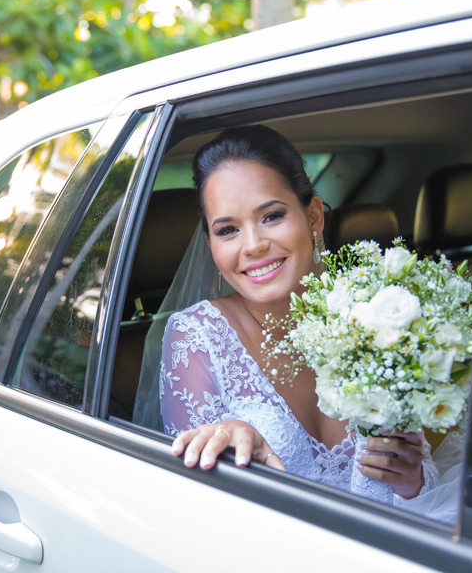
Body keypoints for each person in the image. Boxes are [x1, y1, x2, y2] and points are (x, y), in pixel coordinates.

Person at [157, 126, 440, 505]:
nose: (254, 245)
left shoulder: (377, 315)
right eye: (227, 230)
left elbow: (420, 479)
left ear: (314, 216)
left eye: (271, 216)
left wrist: (410, 480)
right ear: (210, 244)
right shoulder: (196, 338)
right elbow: (199, 506)